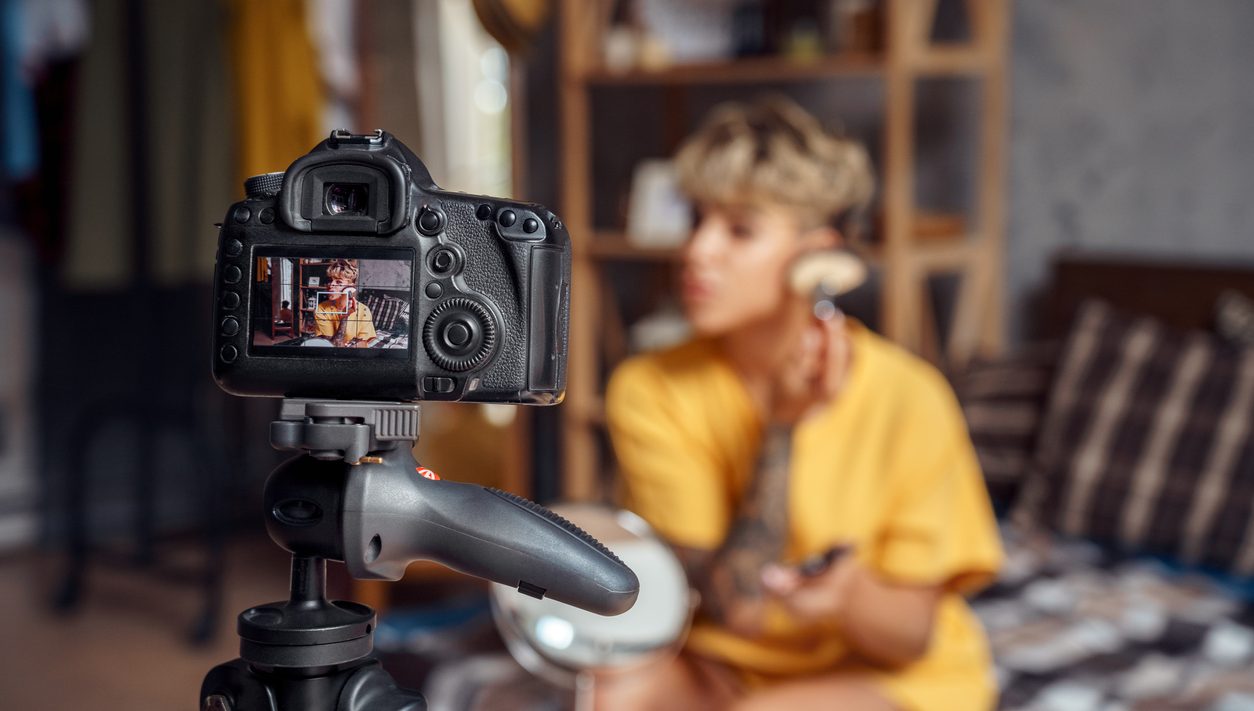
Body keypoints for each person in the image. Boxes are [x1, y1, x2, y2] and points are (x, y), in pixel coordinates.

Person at [602, 97, 1003, 711]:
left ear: (820, 257)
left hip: (884, 675)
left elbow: (911, 637)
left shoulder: (911, 397)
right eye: (696, 220)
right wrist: (782, 429)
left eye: (740, 229)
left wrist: (848, 597)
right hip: (725, 658)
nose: (698, 251)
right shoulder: (648, 388)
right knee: (607, 693)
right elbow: (736, 608)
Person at [313, 258, 376, 347]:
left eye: (338, 282)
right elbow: (332, 346)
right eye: (330, 281)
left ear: (351, 287)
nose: (331, 285)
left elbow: (363, 343)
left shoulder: (364, 310)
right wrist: (344, 319)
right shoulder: (321, 309)